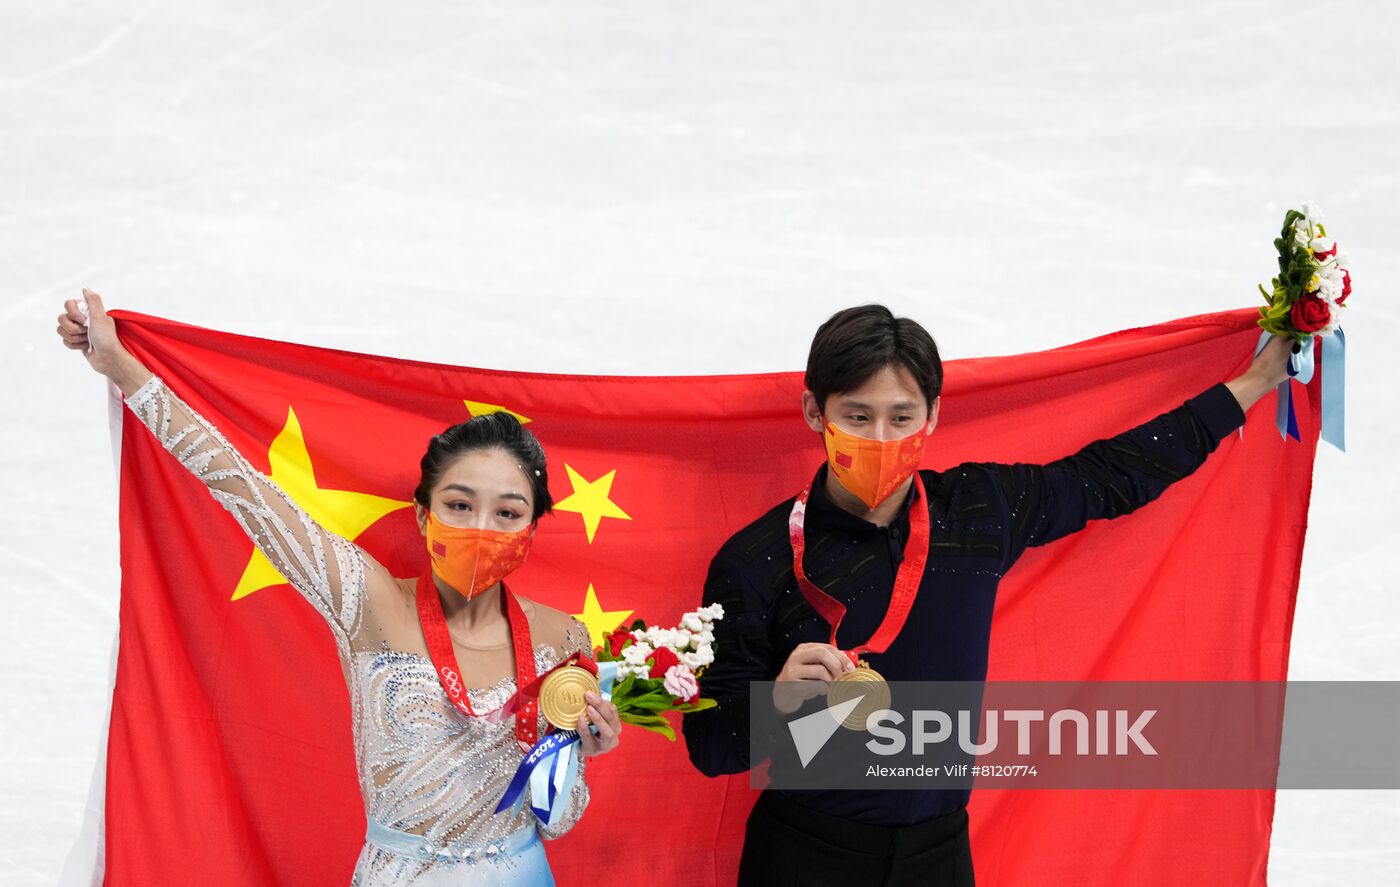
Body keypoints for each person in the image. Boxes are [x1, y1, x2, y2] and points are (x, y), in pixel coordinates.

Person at [682, 304, 1292, 887]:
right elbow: (710, 748)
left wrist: (1255, 382)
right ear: (815, 411)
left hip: (939, 859)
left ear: (933, 415)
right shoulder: (755, 560)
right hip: (803, 858)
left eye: (901, 417)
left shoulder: (977, 511)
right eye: (857, 417)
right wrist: (778, 703)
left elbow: (1115, 475)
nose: (881, 438)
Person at [56, 290, 623, 887]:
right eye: (460, 505)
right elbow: (243, 489)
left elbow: (558, 820)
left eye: (507, 513)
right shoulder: (368, 602)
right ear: (423, 515)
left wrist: (586, 753)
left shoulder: (563, 636)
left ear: (531, 529)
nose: (482, 529)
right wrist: (122, 369)